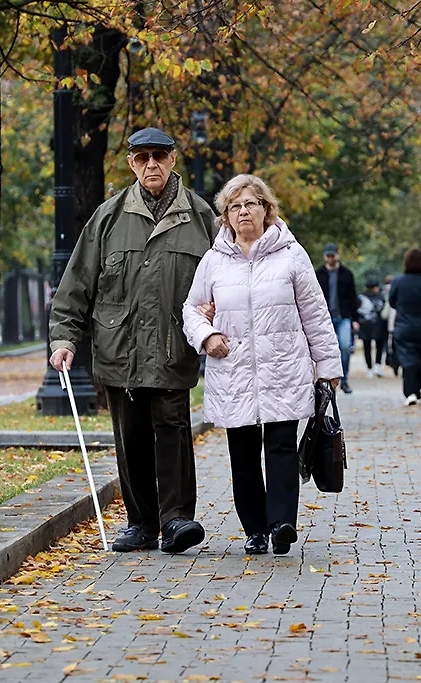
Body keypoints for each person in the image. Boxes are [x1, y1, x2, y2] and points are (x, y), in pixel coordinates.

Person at [49, 127, 217, 554]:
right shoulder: (108, 217)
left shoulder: (200, 217)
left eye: (159, 155)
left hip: (173, 345)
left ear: (173, 159)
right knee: (132, 437)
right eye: (143, 157)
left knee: (172, 430)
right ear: (131, 164)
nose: (151, 164)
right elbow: (77, 283)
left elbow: (226, 277)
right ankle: (141, 523)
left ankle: (176, 519)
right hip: (119, 348)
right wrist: (64, 338)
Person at [182, 174, 342, 556]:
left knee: (282, 447)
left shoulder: (292, 255)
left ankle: (282, 524)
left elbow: (315, 314)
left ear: (266, 209)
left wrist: (328, 366)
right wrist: (207, 335)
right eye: (234, 206)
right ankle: (255, 529)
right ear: (225, 215)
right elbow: (191, 309)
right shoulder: (213, 261)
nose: (243, 212)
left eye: (250, 204)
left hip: (283, 369)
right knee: (243, 455)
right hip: (234, 372)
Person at [388, 249, 421, 405]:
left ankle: (410, 392)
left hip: (403, 326)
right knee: (419, 359)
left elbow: (392, 302)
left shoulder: (397, 282)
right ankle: (417, 388)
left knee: (407, 359)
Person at [315, 243, 358, 394]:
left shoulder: (347, 274)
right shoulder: (318, 274)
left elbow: (353, 297)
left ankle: (344, 380)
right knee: (325, 351)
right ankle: (327, 381)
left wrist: (355, 319)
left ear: (337, 255)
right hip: (324, 318)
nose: (330, 258)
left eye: (332, 255)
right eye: (328, 256)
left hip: (343, 316)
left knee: (345, 347)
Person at [356, 279, 388, 377]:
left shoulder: (361, 297)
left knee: (367, 347)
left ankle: (370, 368)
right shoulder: (380, 297)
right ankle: (377, 366)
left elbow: (357, 310)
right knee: (379, 346)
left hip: (365, 325)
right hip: (378, 325)